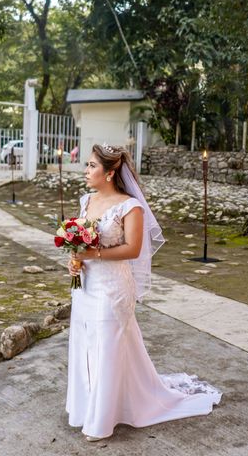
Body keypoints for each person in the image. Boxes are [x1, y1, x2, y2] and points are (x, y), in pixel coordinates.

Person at [66, 143, 222, 442]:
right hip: (86, 285)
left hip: (112, 288)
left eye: (91, 166)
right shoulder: (86, 201)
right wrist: (74, 261)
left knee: (107, 346)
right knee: (86, 342)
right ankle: (86, 409)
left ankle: (102, 420)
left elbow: (132, 249)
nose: (86, 171)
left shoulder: (130, 206)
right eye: (86, 165)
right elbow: (79, 244)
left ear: (110, 173)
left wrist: (92, 255)